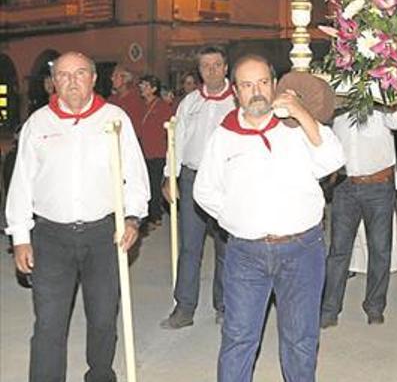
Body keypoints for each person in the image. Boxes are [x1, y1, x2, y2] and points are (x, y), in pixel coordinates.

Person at [193, 54, 344, 382]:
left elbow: (333, 159)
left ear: (275, 85)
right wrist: (237, 219)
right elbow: (204, 191)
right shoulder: (224, 136)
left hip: (302, 251)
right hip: (246, 255)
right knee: (238, 339)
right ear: (236, 92)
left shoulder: (295, 128)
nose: (256, 91)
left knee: (301, 341)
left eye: (263, 82)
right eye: (247, 85)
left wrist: (302, 112)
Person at [5, 51, 149, 382]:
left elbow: (135, 176)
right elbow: (22, 183)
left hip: (104, 235)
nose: (72, 82)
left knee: (102, 318)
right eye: (65, 75)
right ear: (53, 82)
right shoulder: (38, 124)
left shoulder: (114, 119)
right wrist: (21, 237)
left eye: (80, 74)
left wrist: (131, 219)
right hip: (51, 237)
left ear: (94, 79)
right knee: (49, 323)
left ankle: (99, 375)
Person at [160, 46, 236, 329]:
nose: (212, 70)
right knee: (189, 248)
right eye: (206, 66)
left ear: (226, 67)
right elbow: (175, 141)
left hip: (226, 182)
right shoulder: (189, 103)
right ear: (199, 70)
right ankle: (184, 308)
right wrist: (170, 176)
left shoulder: (238, 102)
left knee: (226, 247)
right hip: (192, 179)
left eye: (217, 65)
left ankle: (225, 305)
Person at [321, 106, 397, 327]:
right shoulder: (337, 106)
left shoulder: (381, 105)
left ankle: (375, 306)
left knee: (379, 249)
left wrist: (389, 97)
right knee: (338, 251)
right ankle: (329, 309)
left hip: (378, 185)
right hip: (344, 186)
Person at [137, 74, 174, 227]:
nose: (142, 88)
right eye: (141, 85)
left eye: (145, 86)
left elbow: (169, 129)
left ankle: (155, 216)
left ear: (153, 89)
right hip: (143, 150)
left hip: (157, 151)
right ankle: (149, 215)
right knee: (145, 184)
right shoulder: (141, 105)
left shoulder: (162, 106)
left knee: (154, 184)